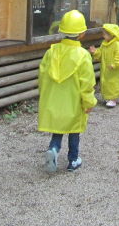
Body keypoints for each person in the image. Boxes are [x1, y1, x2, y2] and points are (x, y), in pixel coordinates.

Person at [38, 9, 97, 172]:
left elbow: (42, 77)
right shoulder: (83, 55)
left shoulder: (51, 52)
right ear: (82, 34)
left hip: (54, 101)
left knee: (58, 129)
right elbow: (87, 84)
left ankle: (54, 149)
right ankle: (73, 160)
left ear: (62, 31)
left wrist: (44, 95)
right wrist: (89, 102)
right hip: (74, 103)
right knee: (74, 131)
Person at [88, 23, 119, 108]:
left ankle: (113, 99)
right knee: (107, 83)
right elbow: (101, 54)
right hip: (107, 69)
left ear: (112, 35)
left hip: (115, 70)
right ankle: (109, 97)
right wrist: (95, 51)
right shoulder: (105, 44)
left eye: (105, 34)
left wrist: (115, 64)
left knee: (114, 83)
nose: (103, 36)